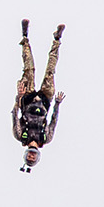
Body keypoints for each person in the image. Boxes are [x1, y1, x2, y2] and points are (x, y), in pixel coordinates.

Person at [14, 19, 65, 172]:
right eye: (33, 157)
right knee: (51, 71)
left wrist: (19, 96)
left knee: (29, 69)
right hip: (45, 101)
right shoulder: (46, 138)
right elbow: (53, 121)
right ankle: (57, 39)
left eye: (29, 157)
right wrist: (57, 103)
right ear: (37, 156)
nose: (31, 155)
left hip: (27, 98)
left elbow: (14, 114)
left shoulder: (20, 135)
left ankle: (25, 37)